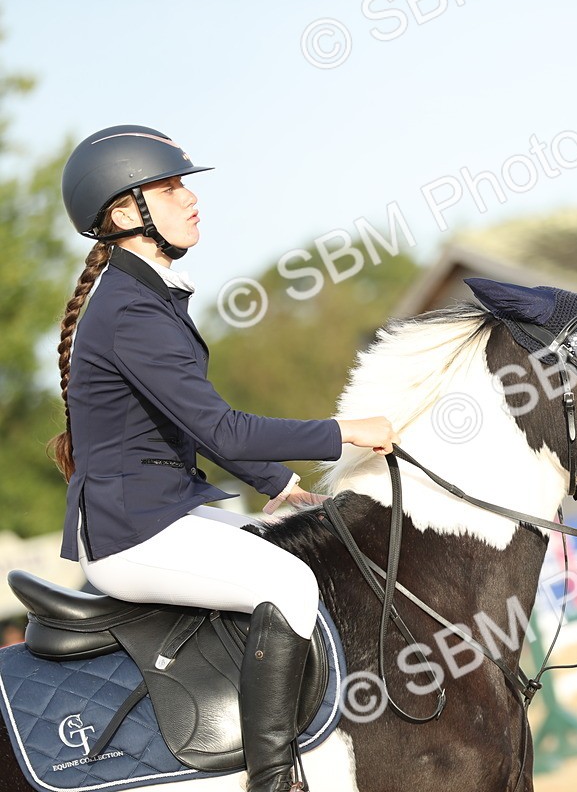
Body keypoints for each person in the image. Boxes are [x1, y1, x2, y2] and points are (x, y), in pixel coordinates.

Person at [50, 125, 396, 792]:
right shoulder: (131, 310)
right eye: (171, 187)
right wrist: (344, 430)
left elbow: (195, 425)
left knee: (301, 549)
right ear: (125, 213)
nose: (191, 198)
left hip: (158, 514)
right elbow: (225, 431)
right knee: (290, 585)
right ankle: (271, 779)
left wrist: (278, 484)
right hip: (132, 536)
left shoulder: (144, 293)